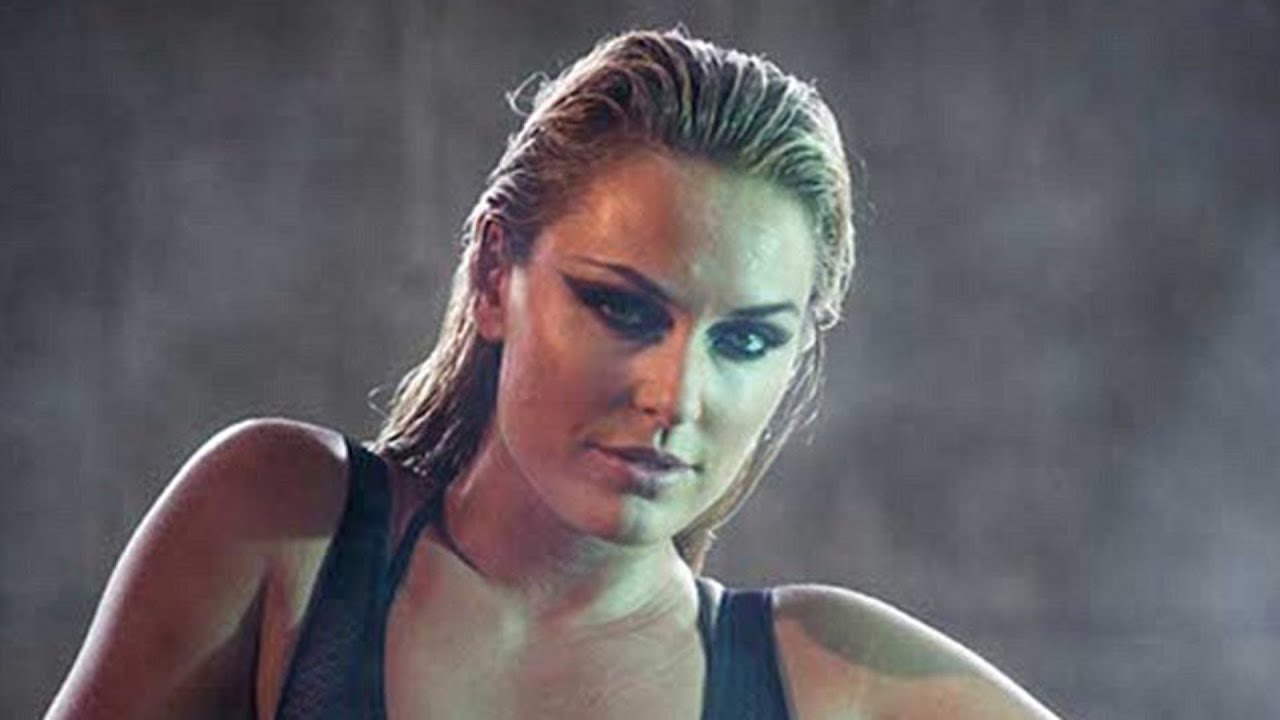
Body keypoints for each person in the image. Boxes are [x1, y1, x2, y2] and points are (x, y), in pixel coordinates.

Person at [46, 29, 1059, 719]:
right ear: (495, 275)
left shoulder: (827, 676)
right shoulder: (284, 523)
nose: (674, 397)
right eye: (623, 309)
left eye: (745, 341)